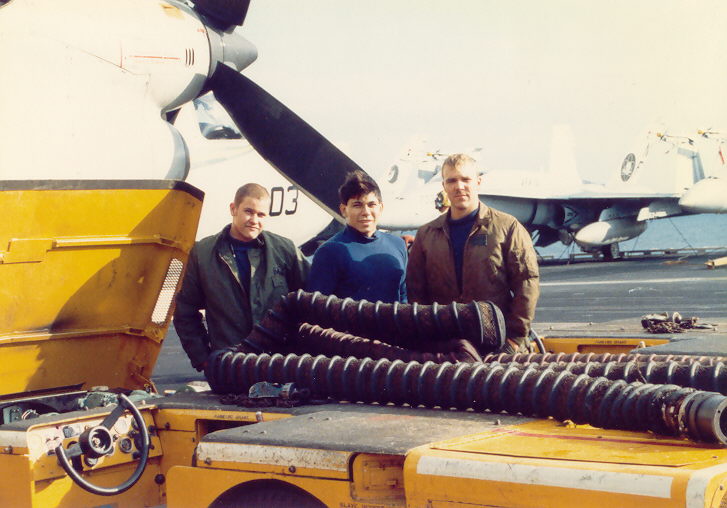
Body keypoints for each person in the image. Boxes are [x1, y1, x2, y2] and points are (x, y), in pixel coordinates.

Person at [406, 154, 539, 353]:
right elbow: (416, 292)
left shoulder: (507, 227)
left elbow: (526, 283)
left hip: (499, 344)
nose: (459, 186)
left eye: (465, 179)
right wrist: (429, 338)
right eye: (451, 180)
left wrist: (514, 339)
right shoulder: (427, 234)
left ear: (478, 182)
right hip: (448, 346)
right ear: (444, 186)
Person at [173, 183, 309, 371]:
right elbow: (185, 311)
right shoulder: (202, 254)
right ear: (233, 209)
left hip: (278, 364)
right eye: (248, 211)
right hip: (230, 367)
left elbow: (309, 301)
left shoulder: (285, 250)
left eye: (261, 215)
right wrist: (203, 359)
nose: (254, 220)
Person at [307, 170, 407, 303]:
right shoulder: (329, 252)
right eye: (357, 205)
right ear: (344, 210)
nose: (366, 212)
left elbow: (403, 297)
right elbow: (315, 306)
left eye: (372, 205)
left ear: (381, 208)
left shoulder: (398, 245)